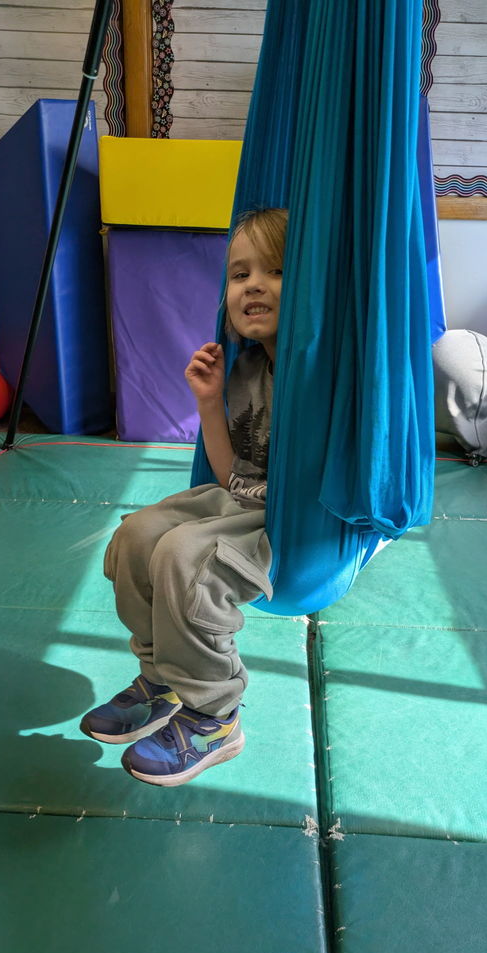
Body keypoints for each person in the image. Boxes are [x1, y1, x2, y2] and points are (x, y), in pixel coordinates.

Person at [80, 207, 287, 787]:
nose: (252, 285)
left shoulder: (321, 371)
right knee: (138, 536)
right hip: (239, 500)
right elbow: (230, 475)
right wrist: (209, 401)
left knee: (183, 557)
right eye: (240, 274)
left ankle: (216, 716)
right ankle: (163, 679)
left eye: (275, 270)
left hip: (289, 518)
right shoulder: (245, 369)